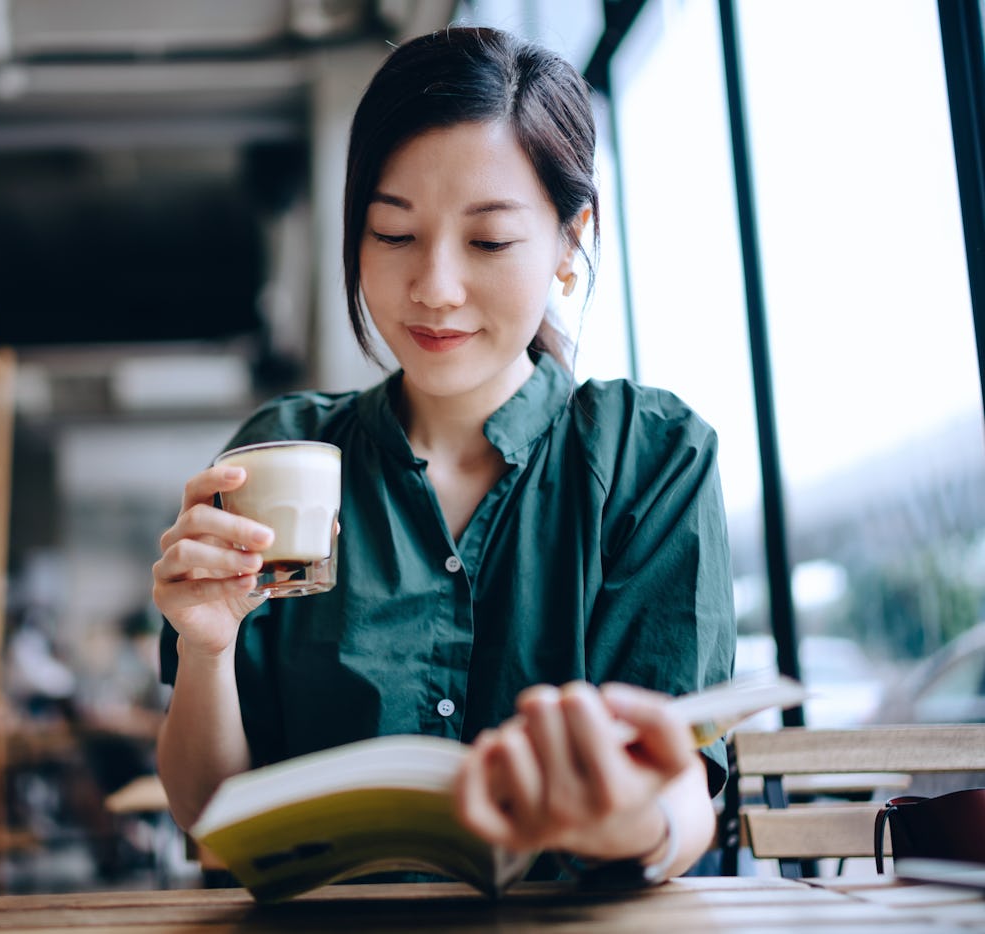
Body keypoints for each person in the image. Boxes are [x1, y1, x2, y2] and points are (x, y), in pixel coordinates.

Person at [151, 26, 735, 885]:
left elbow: (689, 794)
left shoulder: (651, 457)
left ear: (572, 243)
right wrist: (206, 648)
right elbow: (213, 822)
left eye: (489, 242)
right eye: (393, 234)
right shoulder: (286, 458)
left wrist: (636, 823)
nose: (434, 287)